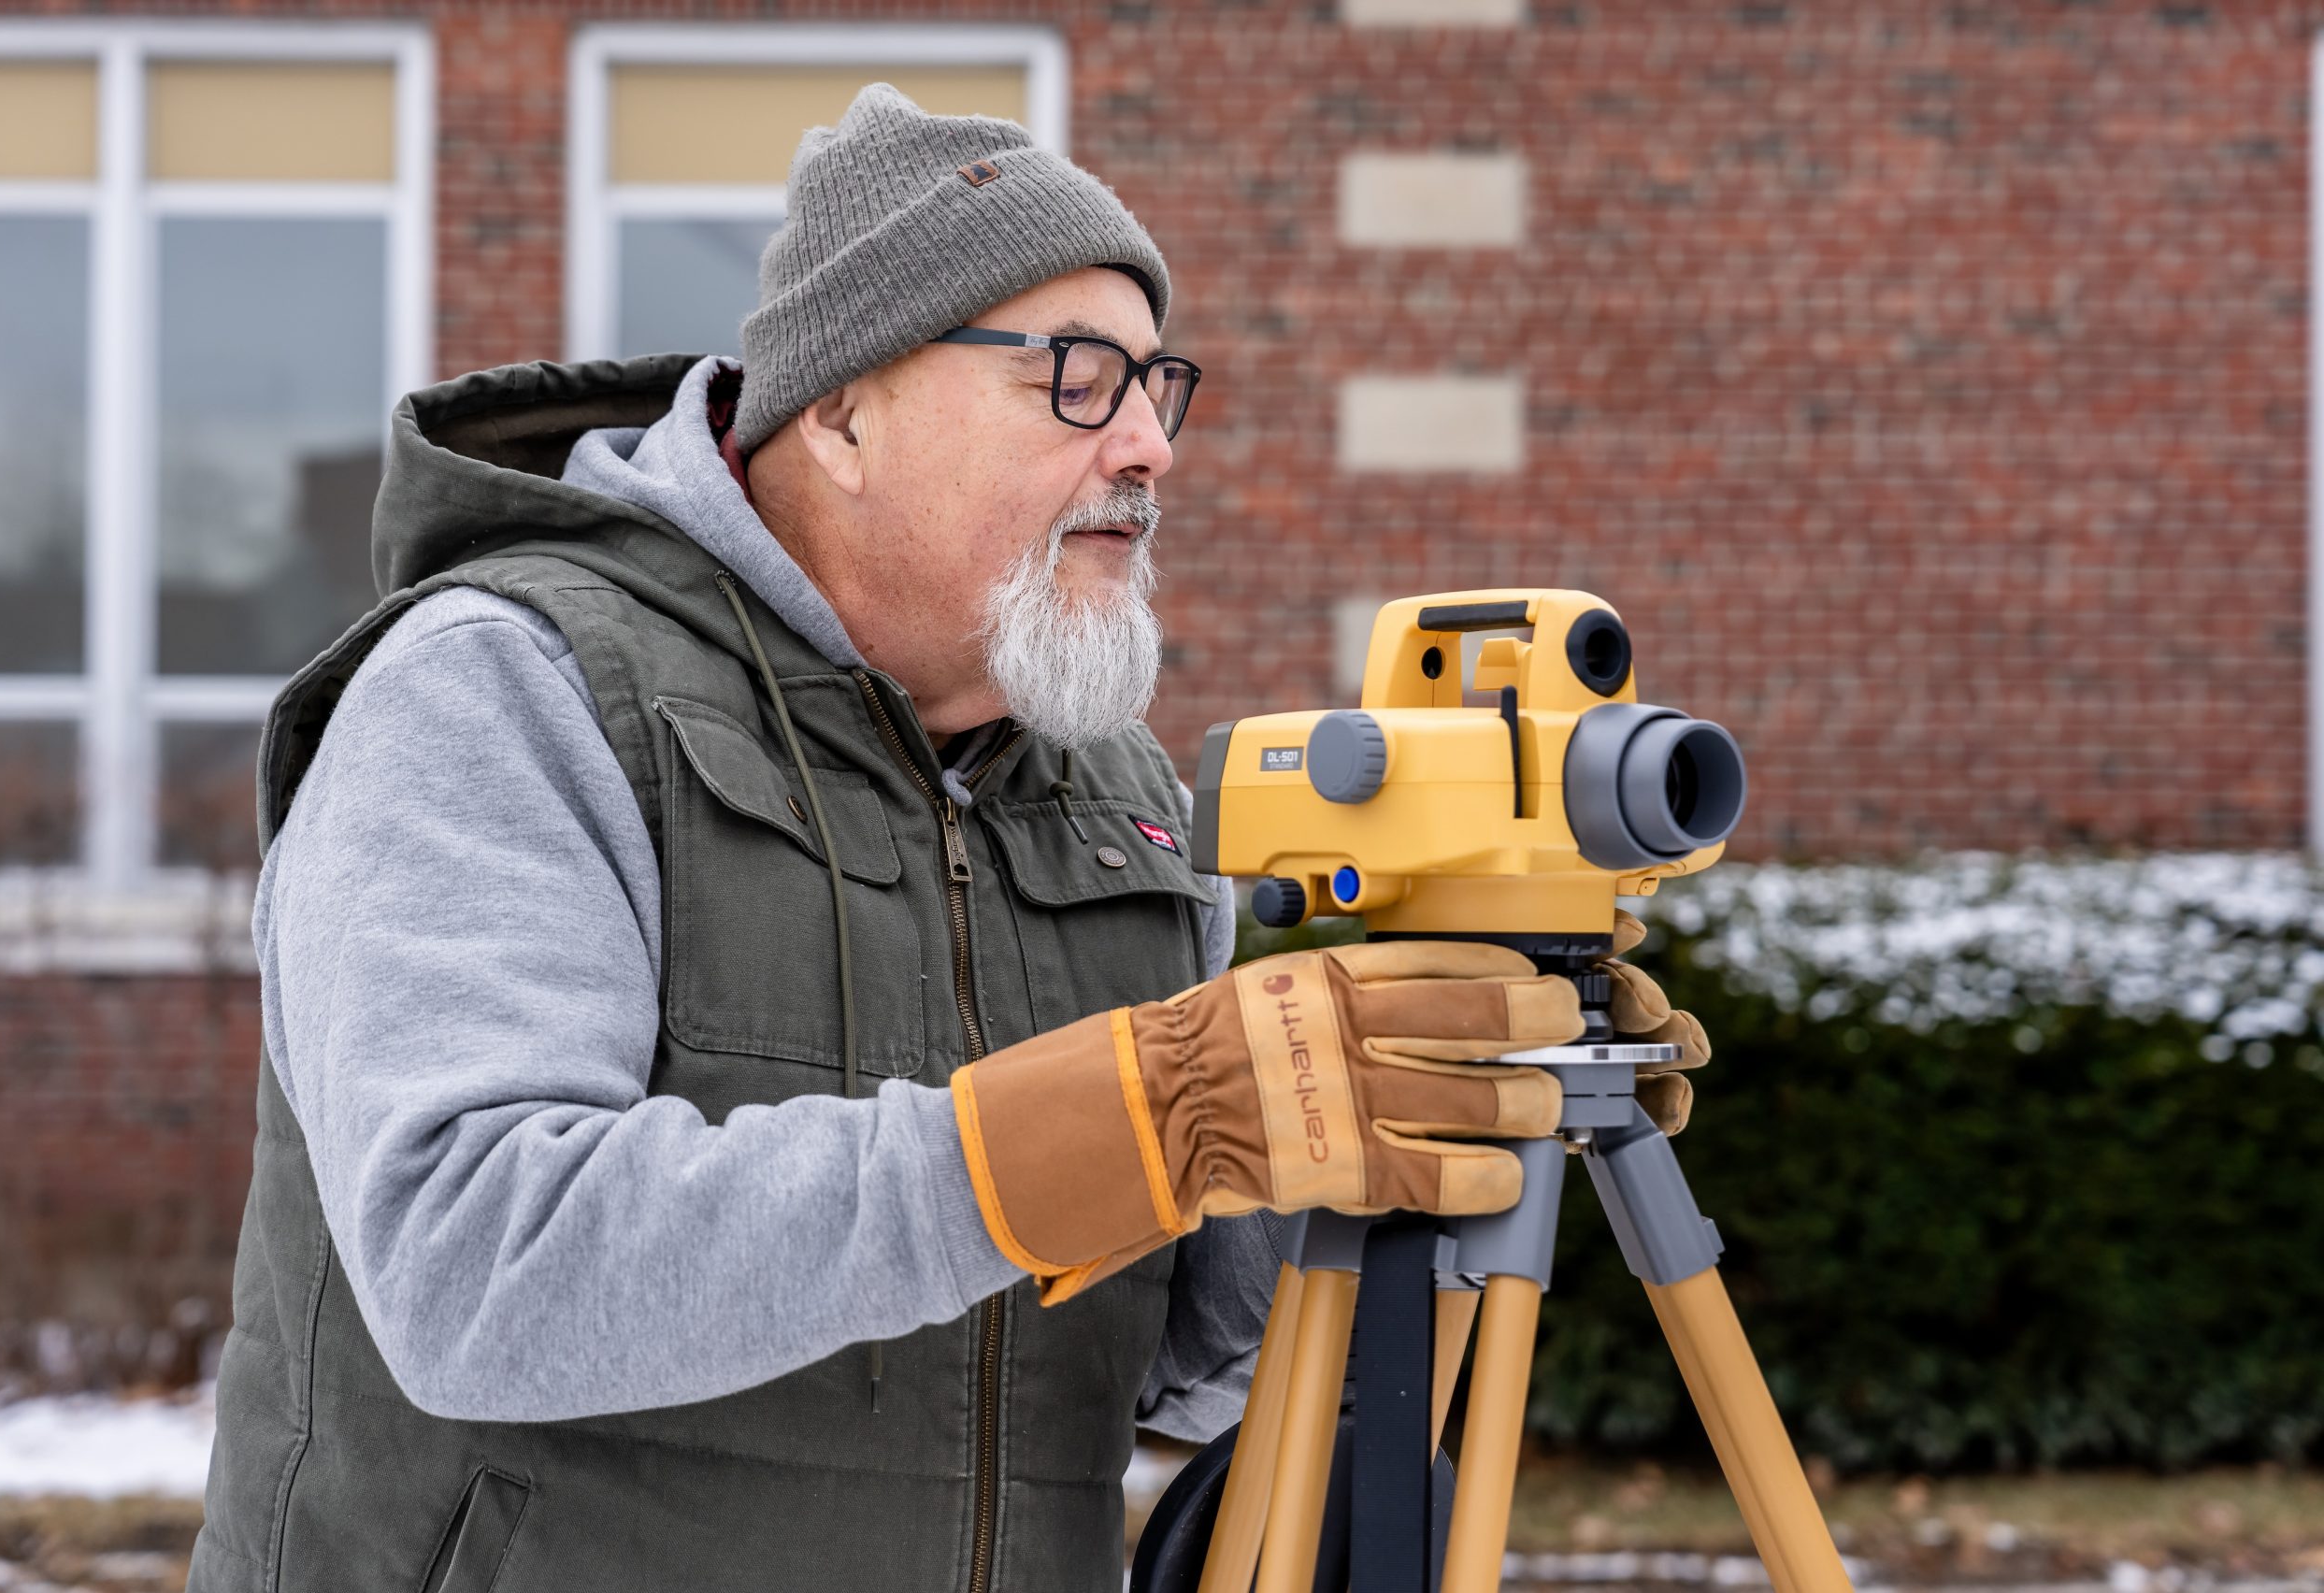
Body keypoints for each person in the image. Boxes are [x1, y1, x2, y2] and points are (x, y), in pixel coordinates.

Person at [188, 84, 1708, 1593]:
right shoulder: (504, 688)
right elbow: (476, 1272)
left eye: (1154, 385)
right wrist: (1132, 1119)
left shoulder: (1112, 794)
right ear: (844, 409)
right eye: (1075, 379)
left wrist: (1376, 1125)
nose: (1147, 450)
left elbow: (1169, 1367)